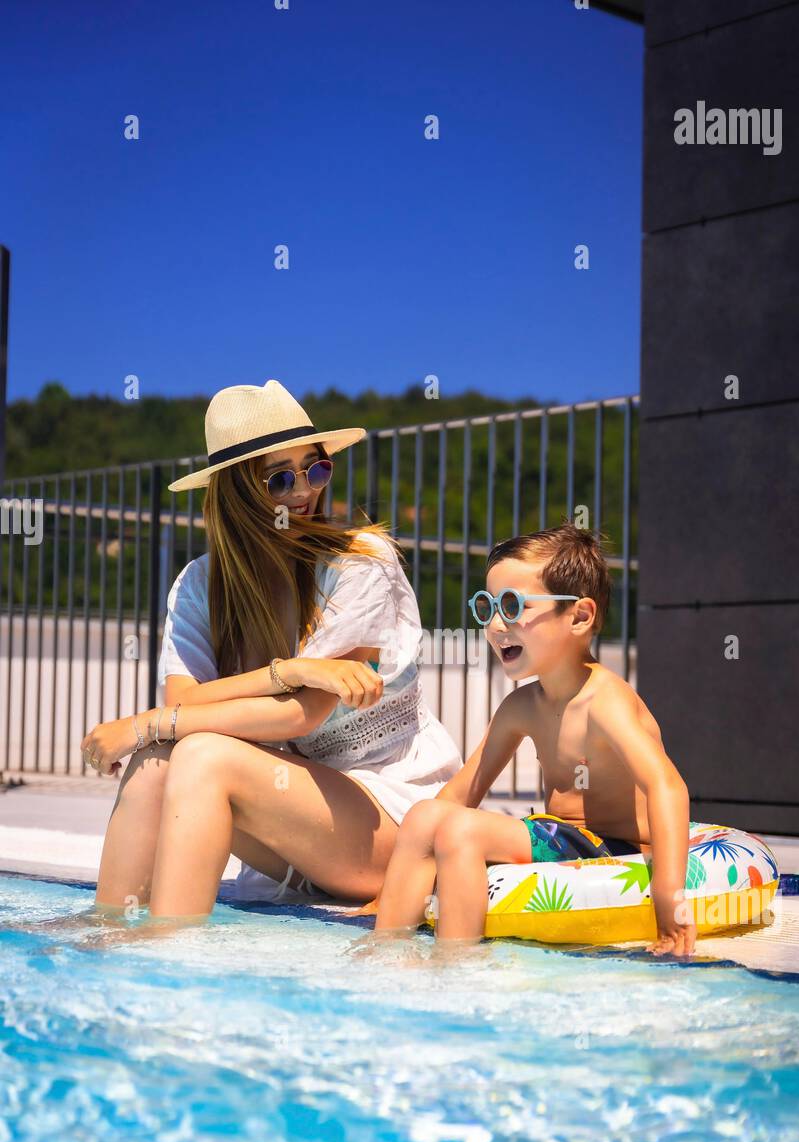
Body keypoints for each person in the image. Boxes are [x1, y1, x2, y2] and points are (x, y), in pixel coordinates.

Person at [80, 379, 462, 920]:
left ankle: (168, 950)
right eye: (280, 477)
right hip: (292, 830)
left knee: (199, 752)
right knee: (159, 756)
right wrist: (293, 669)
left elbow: (302, 714)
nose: (305, 490)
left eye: (317, 467)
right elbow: (187, 706)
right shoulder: (199, 586)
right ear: (237, 493)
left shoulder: (361, 562)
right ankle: (109, 934)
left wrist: (147, 721)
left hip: (396, 823)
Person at [367, 521, 696, 956]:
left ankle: (457, 964)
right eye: (486, 607)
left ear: (579, 616)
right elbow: (461, 792)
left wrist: (669, 894)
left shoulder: (605, 701)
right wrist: (397, 883)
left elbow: (666, 785)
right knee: (426, 815)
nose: (496, 625)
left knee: (461, 833)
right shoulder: (523, 706)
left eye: (512, 605)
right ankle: (385, 949)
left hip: (615, 847)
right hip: (561, 836)